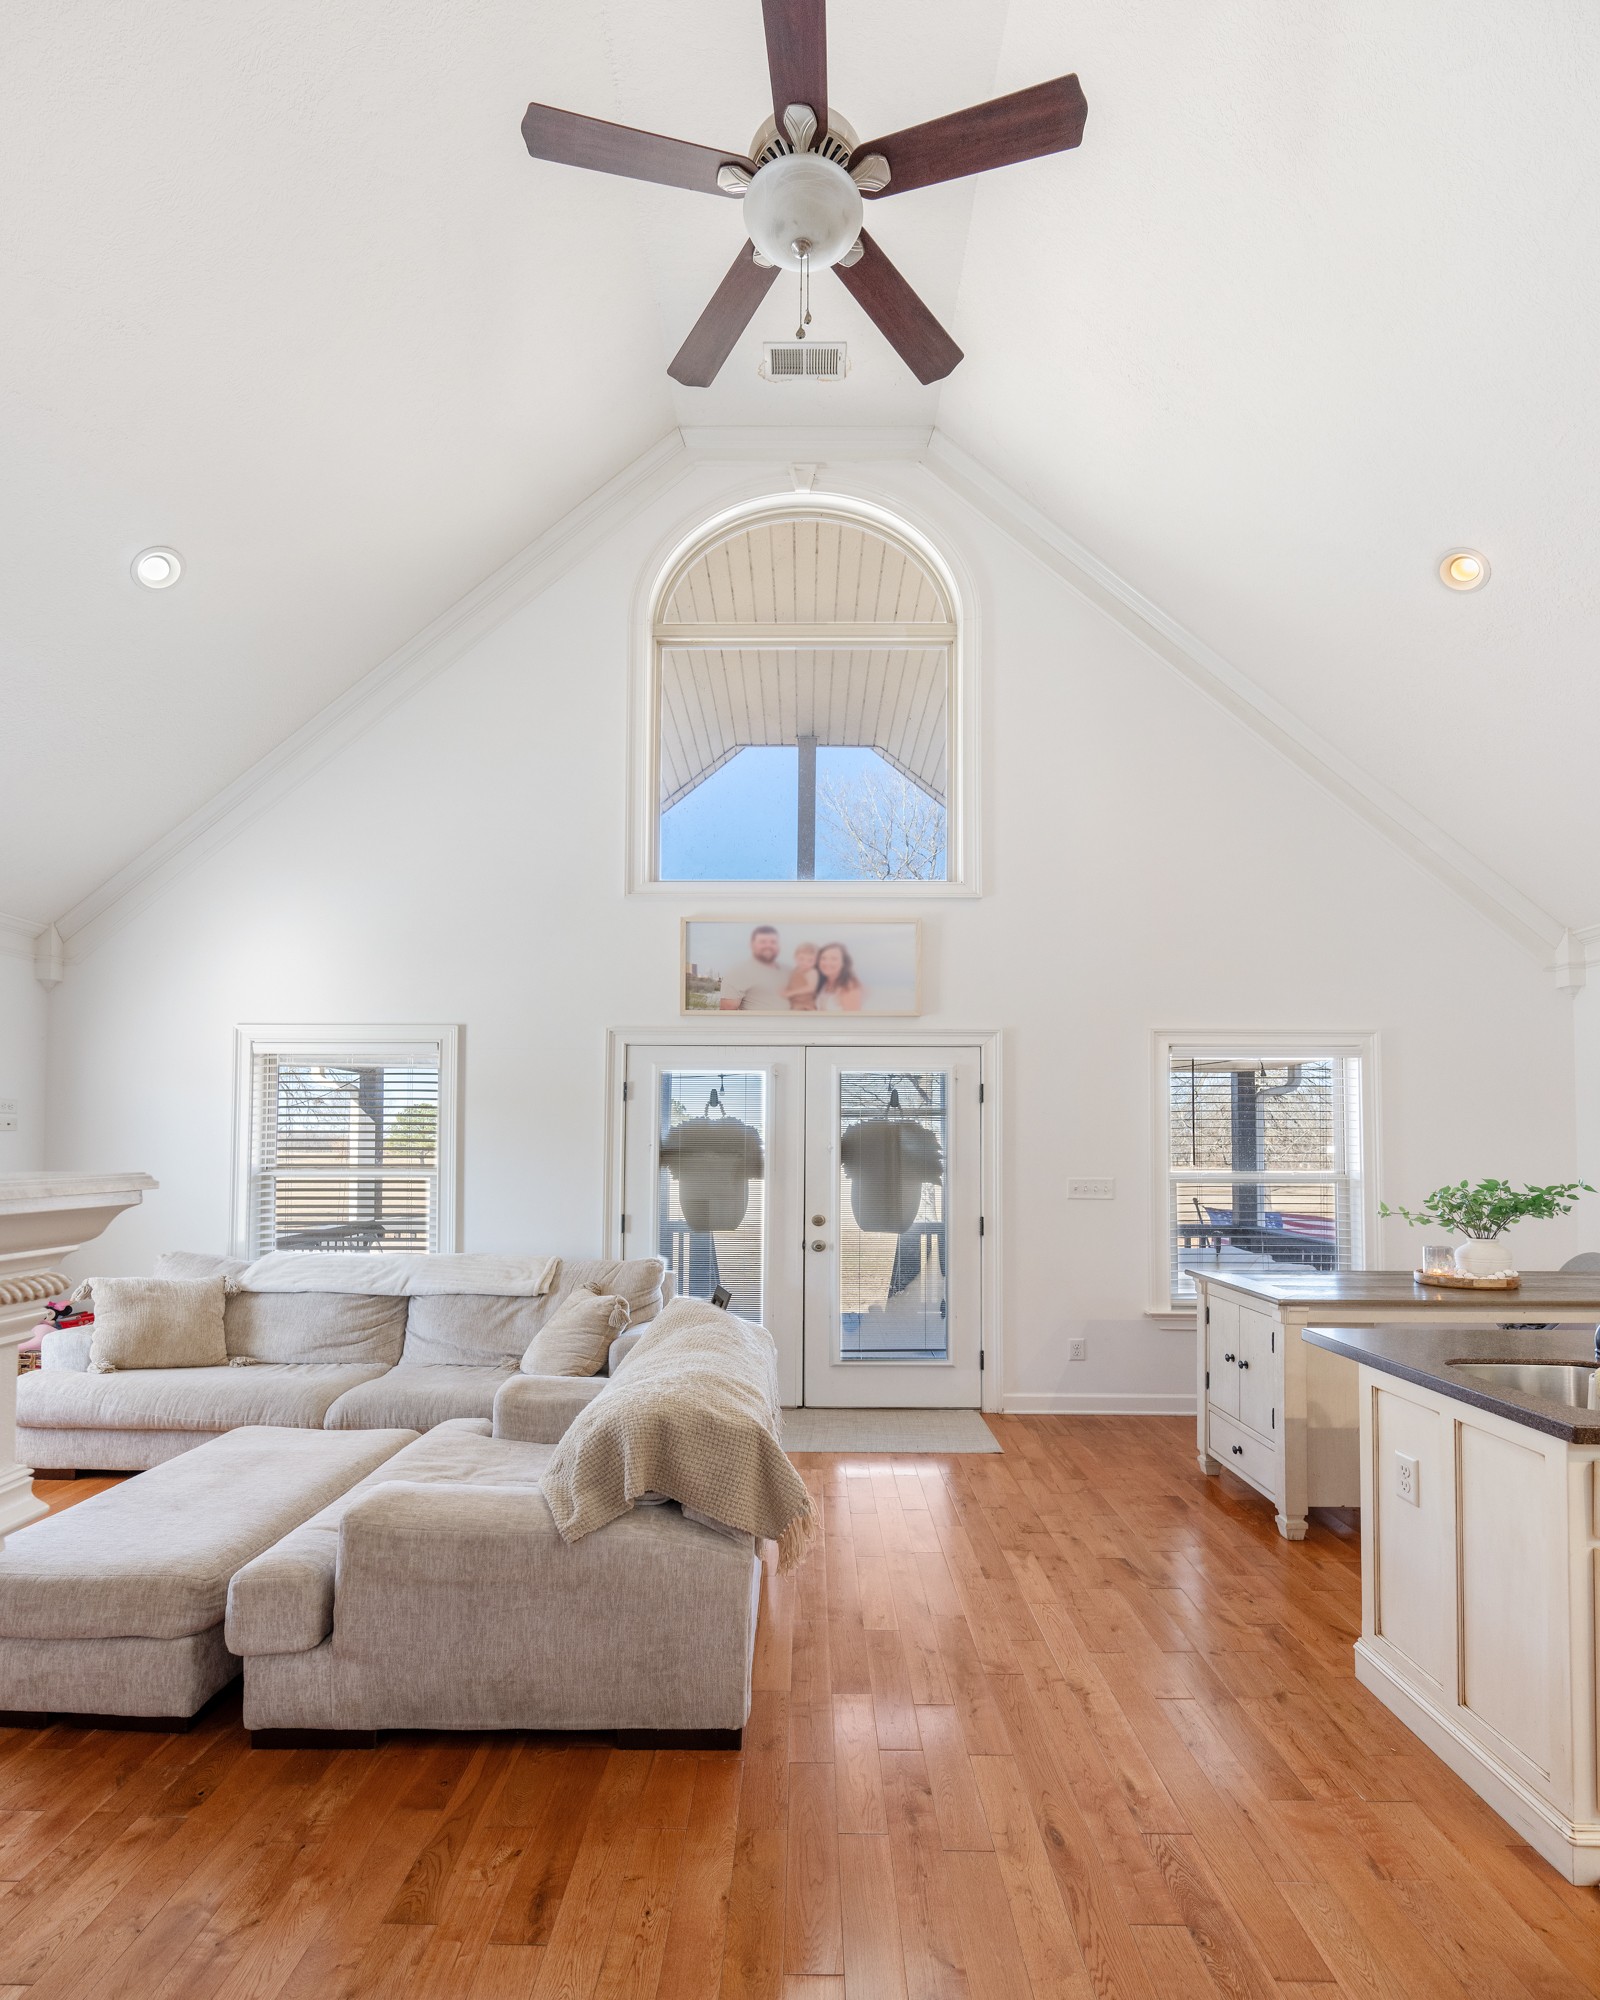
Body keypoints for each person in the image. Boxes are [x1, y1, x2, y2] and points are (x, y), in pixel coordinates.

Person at [716, 925, 789, 1010]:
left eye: (773, 942)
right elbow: (726, 1014)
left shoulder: (787, 971)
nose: (768, 946)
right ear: (752, 945)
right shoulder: (737, 973)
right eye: (763, 942)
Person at [815, 941, 866, 1012]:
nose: (827, 962)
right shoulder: (822, 983)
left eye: (834, 959)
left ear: (844, 963)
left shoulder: (850, 986)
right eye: (823, 958)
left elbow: (853, 1019)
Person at [784, 942, 822, 1011]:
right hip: (793, 1002)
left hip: (806, 1005)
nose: (805, 963)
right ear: (795, 957)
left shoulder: (811, 972)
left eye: (810, 960)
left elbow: (811, 988)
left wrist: (791, 992)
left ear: (816, 961)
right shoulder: (794, 970)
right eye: (801, 959)